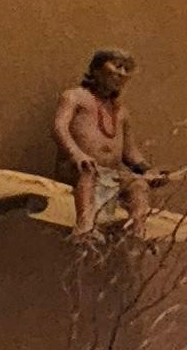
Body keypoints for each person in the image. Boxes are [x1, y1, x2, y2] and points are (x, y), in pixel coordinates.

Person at [52, 49, 156, 231]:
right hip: (77, 169)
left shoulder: (121, 112)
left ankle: (137, 232)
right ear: (96, 69)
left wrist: (147, 170)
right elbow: (59, 128)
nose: (121, 73)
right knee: (89, 173)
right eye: (117, 66)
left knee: (139, 185)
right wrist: (77, 155)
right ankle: (85, 230)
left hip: (109, 176)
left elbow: (129, 152)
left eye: (127, 69)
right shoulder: (74, 97)